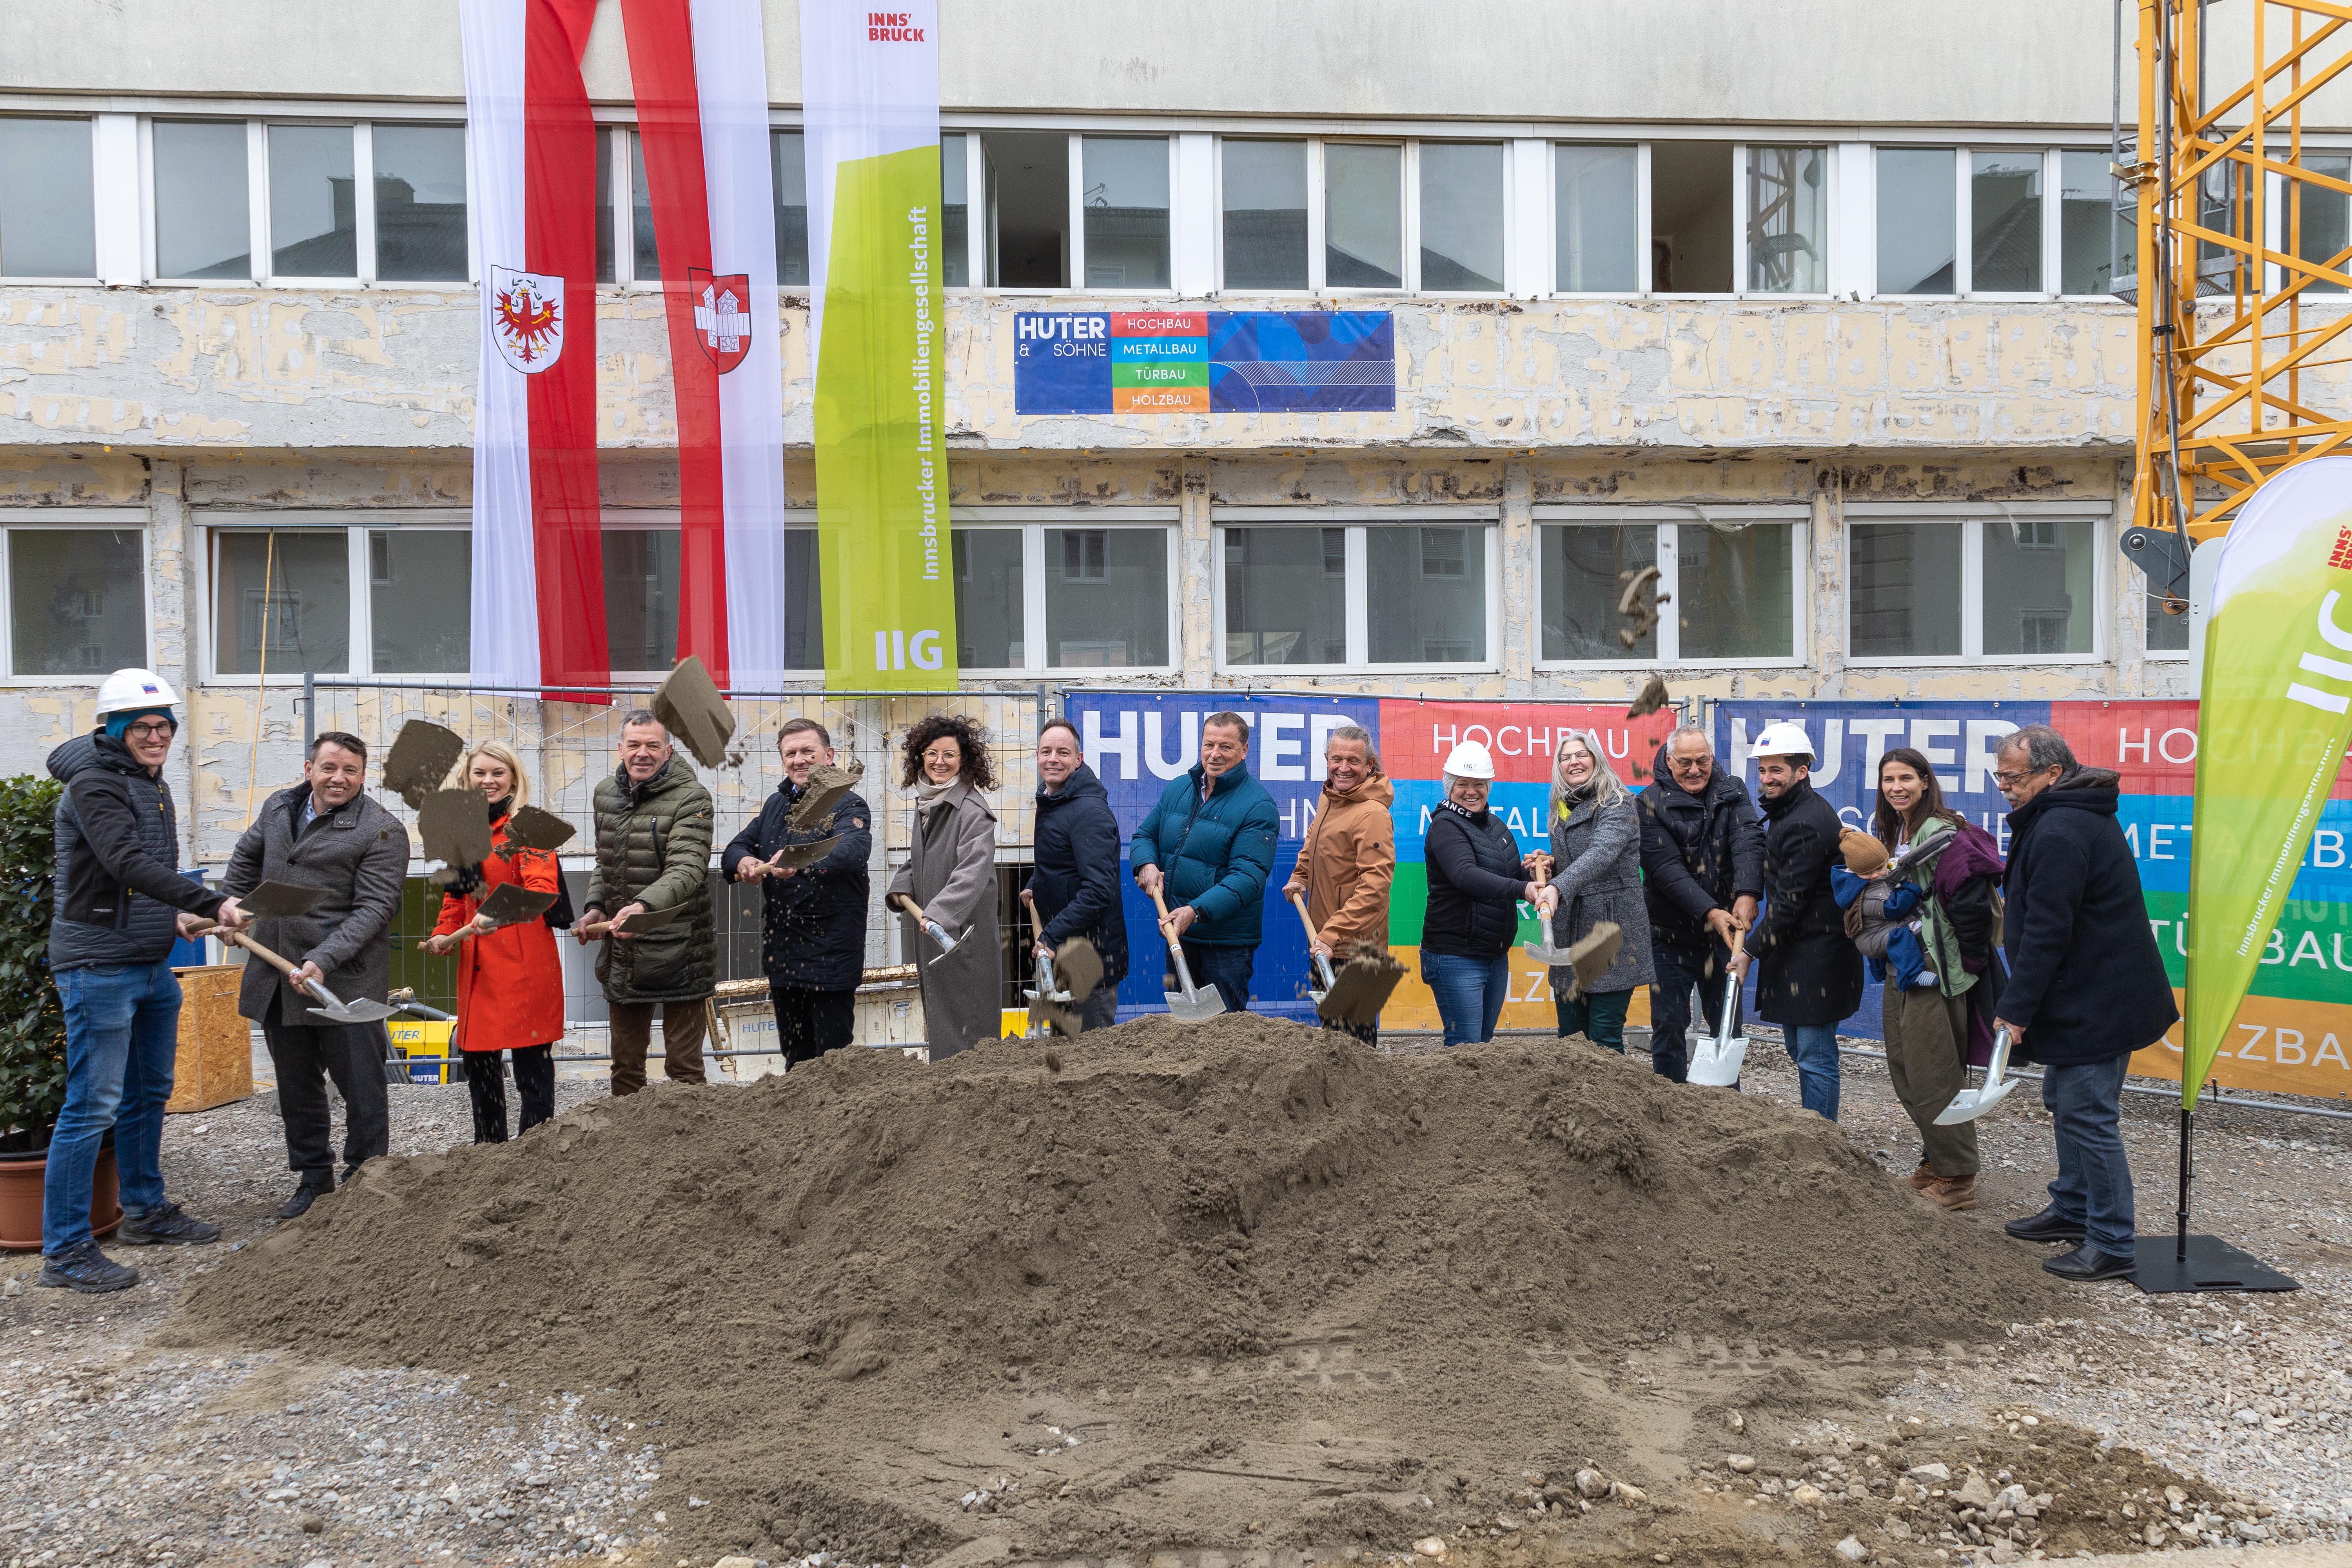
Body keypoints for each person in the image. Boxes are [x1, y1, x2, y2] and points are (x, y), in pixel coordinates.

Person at [38, 670, 239, 1292]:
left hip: (150, 962)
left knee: (148, 1092)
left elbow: (142, 877)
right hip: (97, 967)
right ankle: (65, 1251)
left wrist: (178, 914)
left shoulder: (151, 783)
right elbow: (123, 861)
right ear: (116, 729)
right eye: (142, 727)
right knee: (90, 1106)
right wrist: (211, 901)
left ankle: (145, 1213)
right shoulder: (95, 784)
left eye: (164, 726)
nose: (156, 736)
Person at [1993, 725, 2177, 1282]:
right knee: (2062, 1099)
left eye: (2013, 777)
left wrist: (2016, 1008)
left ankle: (2113, 1241)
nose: (2004, 787)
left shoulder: (2062, 829)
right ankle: (2072, 1208)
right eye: (1999, 776)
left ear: (2053, 774)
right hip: (2084, 994)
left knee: (2089, 1115)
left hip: (2101, 1000)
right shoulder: (2059, 817)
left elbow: (2049, 930)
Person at [224, 730, 410, 1217]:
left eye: (351, 770)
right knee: (297, 1086)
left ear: (363, 776)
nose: (339, 778)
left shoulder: (382, 829)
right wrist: (231, 909)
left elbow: (375, 909)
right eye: (329, 767)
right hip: (276, 971)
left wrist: (324, 959)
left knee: (361, 1086)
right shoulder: (278, 809)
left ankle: (366, 1176)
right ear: (309, 770)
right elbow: (245, 861)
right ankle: (313, 1178)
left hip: (343, 981)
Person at [1859, 747, 2007, 1211]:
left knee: (1935, 1074)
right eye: (1888, 780)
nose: (1896, 787)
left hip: (1935, 973)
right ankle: (1935, 1161)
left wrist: (1965, 969)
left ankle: (1959, 1177)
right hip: (1902, 968)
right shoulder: (1898, 830)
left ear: (1926, 781)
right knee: (1907, 1071)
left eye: (1906, 778)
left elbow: (1970, 908)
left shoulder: (1940, 834)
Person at [422, 741, 564, 1144]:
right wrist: (442, 934)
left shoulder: (529, 827)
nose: (488, 781)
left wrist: (498, 913)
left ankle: (534, 1154)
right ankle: (488, 1155)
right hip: (479, 967)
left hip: (525, 963)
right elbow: (456, 897)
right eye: (480, 773)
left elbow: (541, 889)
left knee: (532, 1069)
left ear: (514, 779)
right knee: (479, 1067)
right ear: (467, 779)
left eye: (498, 773)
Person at [578, 710, 715, 1096]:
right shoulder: (606, 793)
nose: (643, 753)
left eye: (653, 745)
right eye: (634, 745)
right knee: (625, 1067)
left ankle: (692, 1150)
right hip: (625, 953)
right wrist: (595, 906)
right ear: (620, 749)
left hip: (682, 950)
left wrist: (640, 907)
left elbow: (687, 869)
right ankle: (627, 1152)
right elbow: (604, 861)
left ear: (668, 750)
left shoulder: (693, 798)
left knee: (684, 1069)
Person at [723, 718, 872, 1069]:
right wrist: (744, 860)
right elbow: (735, 847)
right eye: (791, 753)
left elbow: (851, 851)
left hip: (832, 954)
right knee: (796, 1058)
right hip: (785, 954)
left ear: (830, 756)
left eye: (808, 751)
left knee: (831, 1060)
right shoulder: (777, 805)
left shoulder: (848, 805)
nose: (799, 760)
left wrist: (799, 863)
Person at [1736, 722, 1860, 1120]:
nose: (1767, 778)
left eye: (1777, 771)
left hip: (1817, 958)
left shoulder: (1805, 821)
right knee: (1801, 1049)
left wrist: (1749, 953)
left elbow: (1789, 904)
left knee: (1815, 1056)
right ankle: (1818, 1132)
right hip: (1799, 954)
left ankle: (1823, 1142)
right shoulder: (1791, 811)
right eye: (1762, 770)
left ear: (1801, 772)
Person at [1130, 711, 1279, 1014]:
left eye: (1226, 747)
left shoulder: (1258, 806)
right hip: (1179, 935)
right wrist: (1145, 863)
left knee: (1223, 1039)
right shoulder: (1178, 789)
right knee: (1185, 1033)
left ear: (1245, 750)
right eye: (1209, 744)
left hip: (1225, 945)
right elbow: (1145, 835)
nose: (1215, 754)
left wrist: (1195, 911)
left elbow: (1247, 879)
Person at [1637, 725, 1764, 1082]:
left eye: (1703, 761)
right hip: (1669, 938)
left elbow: (1748, 840)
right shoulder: (1648, 803)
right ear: (1668, 760)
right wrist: (1711, 911)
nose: (1695, 770)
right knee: (1668, 1028)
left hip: (1723, 941)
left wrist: (1748, 892)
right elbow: (1665, 870)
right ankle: (1670, 1105)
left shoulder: (1732, 790)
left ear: (1712, 758)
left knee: (1728, 1028)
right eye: (1686, 762)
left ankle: (1726, 1107)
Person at [1419, 740, 1557, 1048]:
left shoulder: (1493, 824)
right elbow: (1465, 876)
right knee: (1465, 1045)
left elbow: (1501, 876)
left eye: (1479, 784)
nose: (1472, 792)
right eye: (1463, 784)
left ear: (1489, 786)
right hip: (1456, 955)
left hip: (1493, 954)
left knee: (1482, 1045)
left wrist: (1533, 873)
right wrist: (1523, 889)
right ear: (1449, 786)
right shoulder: (1445, 827)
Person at [886, 713, 1003, 1059]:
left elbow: (973, 870)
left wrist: (938, 914)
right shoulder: (929, 804)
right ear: (920, 757)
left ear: (963, 760)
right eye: (932, 754)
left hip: (963, 938)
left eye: (949, 755)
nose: (940, 762)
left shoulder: (970, 810)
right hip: (939, 936)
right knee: (945, 1023)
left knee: (968, 1030)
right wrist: (901, 883)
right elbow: (922, 858)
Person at [1281, 724, 1395, 1043]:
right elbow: (1313, 842)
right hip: (1328, 946)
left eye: (1354, 761)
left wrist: (1331, 935)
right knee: (1333, 1042)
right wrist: (1300, 876)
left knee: (1356, 1046)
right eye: (1336, 759)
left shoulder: (1372, 814)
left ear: (1369, 765)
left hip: (1358, 951)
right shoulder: (1331, 797)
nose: (1343, 768)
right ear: (1327, 760)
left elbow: (1375, 887)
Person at [1543, 730, 1652, 1051]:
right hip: (1571, 932)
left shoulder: (1618, 802)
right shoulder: (1561, 807)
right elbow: (1576, 862)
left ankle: (1612, 1102)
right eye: (1566, 758)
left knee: (1604, 1038)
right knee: (1571, 1038)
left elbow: (1602, 853)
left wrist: (1558, 886)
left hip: (1611, 929)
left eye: (1581, 754)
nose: (1574, 762)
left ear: (1596, 759)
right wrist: (1551, 863)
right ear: (1558, 766)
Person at [1024, 718, 1127, 1033]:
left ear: (1078, 760)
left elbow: (1098, 891)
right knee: (1067, 1053)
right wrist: (1035, 884)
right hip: (1068, 955)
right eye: (1046, 751)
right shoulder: (1057, 800)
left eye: (1063, 752)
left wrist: (1051, 936)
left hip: (1090, 960)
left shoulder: (1088, 812)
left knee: (1093, 1059)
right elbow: (1062, 862)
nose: (1053, 759)